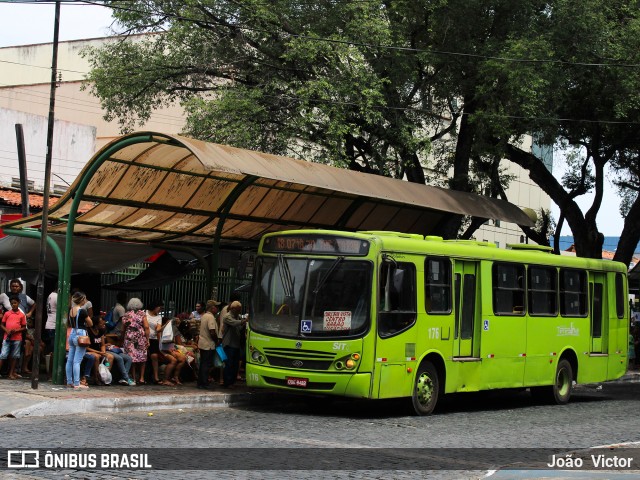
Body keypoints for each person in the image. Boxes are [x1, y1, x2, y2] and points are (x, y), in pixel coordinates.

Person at [65, 291, 93, 389]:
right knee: (77, 361)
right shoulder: (82, 311)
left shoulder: (71, 310)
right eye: (84, 299)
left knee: (70, 360)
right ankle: (77, 383)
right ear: (81, 300)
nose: (85, 301)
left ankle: (69, 381)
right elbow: (90, 323)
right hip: (81, 335)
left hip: (72, 334)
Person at [122, 298, 149, 385]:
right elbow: (146, 327)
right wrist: (147, 339)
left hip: (129, 338)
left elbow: (123, 328)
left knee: (131, 358)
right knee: (142, 358)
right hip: (140, 337)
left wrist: (122, 338)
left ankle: (133, 378)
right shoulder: (142, 314)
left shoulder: (126, 315)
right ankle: (141, 378)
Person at [221, 301, 247, 388]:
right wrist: (244, 321)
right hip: (229, 344)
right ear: (233, 309)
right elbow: (234, 323)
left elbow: (239, 327)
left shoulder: (238, 316)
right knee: (229, 364)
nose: (240, 311)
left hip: (236, 344)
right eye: (238, 309)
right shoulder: (227, 316)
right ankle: (227, 383)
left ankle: (232, 382)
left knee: (235, 365)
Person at [0, 296, 27, 379]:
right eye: (12, 303)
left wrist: (16, 330)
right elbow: (1, 324)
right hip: (7, 337)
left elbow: (23, 327)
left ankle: (11, 373)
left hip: (17, 338)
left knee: (14, 356)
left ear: (18, 303)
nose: (13, 305)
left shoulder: (22, 315)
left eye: (15, 303)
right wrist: (6, 330)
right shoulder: (7, 313)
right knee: (3, 355)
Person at [197, 299, 221, 389]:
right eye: (216, 307)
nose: (218, 309)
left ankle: (200, 382)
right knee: (206, 364)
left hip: (203, 343)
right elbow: (212, 332)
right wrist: (217, 341)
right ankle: (204, 383)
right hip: (208, 344)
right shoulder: (210, 317)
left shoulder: (204, 316)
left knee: (203, 363)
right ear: (212, 308)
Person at [44, 289, 58, 375]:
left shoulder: (50, 295)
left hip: (50, 323)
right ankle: (50, 373)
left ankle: (51, 372)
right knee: (54, 349)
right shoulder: (56, 296)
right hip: (53, 324)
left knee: (53, 348)